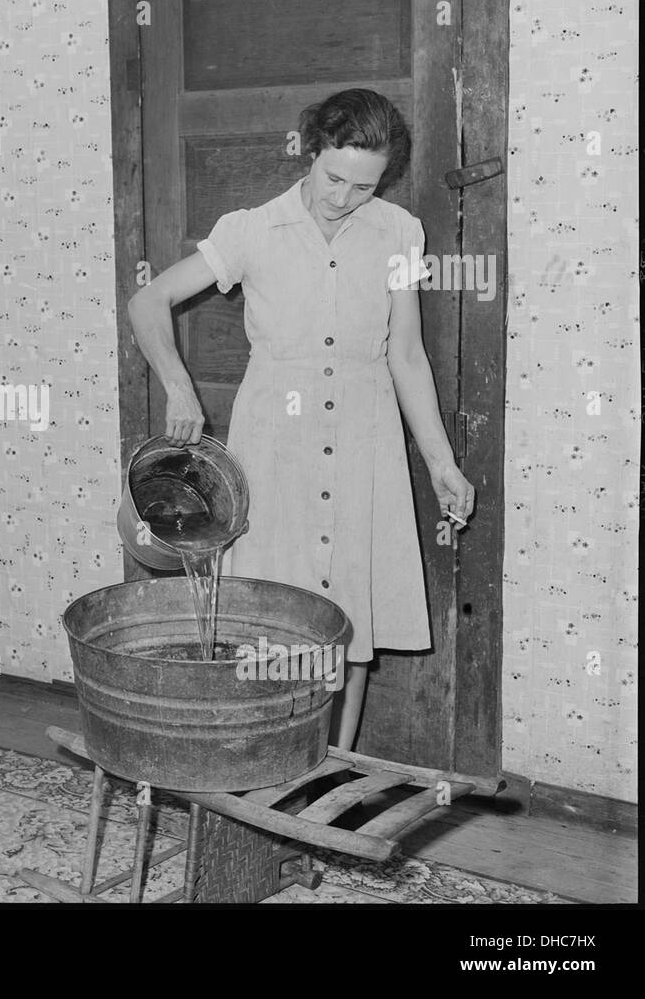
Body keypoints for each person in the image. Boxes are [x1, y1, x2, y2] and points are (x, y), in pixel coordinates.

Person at [128, 88, 475, 750]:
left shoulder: (399, 231)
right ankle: (265, 769)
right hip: (275, 441)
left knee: (348, 621)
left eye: (364, 186)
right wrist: (179, 388)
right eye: (334, 177)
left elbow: (406, 355)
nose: (343, 197)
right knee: (270, 615)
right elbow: (150, 303)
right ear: (310, 152)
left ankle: (331, 769)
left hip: (362, 439)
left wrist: (441, 463)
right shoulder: (250, 229)